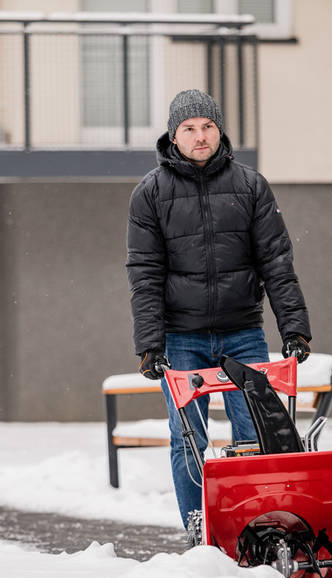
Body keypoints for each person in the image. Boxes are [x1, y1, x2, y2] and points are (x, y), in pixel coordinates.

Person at [126, 89, 312, 529]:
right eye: (189, 128)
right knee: (187, 437)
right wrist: (150, 346)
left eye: (208, 126)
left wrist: (295, 327)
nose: (200, 136)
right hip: (180, 337)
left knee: (255, 432)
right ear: (174, 136)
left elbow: (276, 261)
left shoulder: (250, 185)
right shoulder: (149, 195)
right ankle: (198, 525)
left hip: (242, 331)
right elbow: (144, 274)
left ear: (219, 129)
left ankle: (256, 524)